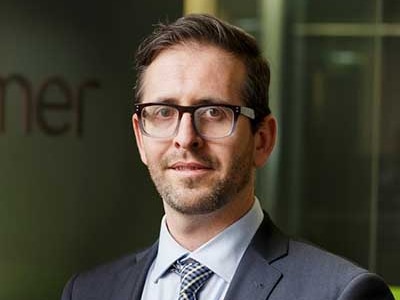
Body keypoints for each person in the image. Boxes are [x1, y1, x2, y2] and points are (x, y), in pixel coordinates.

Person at [61, 14, 394, 300]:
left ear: (262, 139)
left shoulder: (341, 294)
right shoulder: (89, 291)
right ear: (140, 137)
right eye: (163, 112)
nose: (185, 138)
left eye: (214, 112)